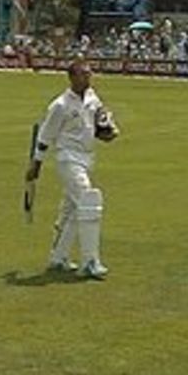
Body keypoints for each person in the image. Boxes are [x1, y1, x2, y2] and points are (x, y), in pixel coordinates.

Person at [24, 61, 117, 279]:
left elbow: (98, 125)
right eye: (84, 75)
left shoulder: (93, 98)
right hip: (68, 158)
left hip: (87, 157)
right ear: (72, 78)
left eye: (89, 74)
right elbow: (45, 136)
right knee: (88, 200)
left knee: (73, 211)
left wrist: (107, 133)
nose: (88, 78)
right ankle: (91, 261)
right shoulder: (60, 105)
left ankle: (58, 257)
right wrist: (35, 164)